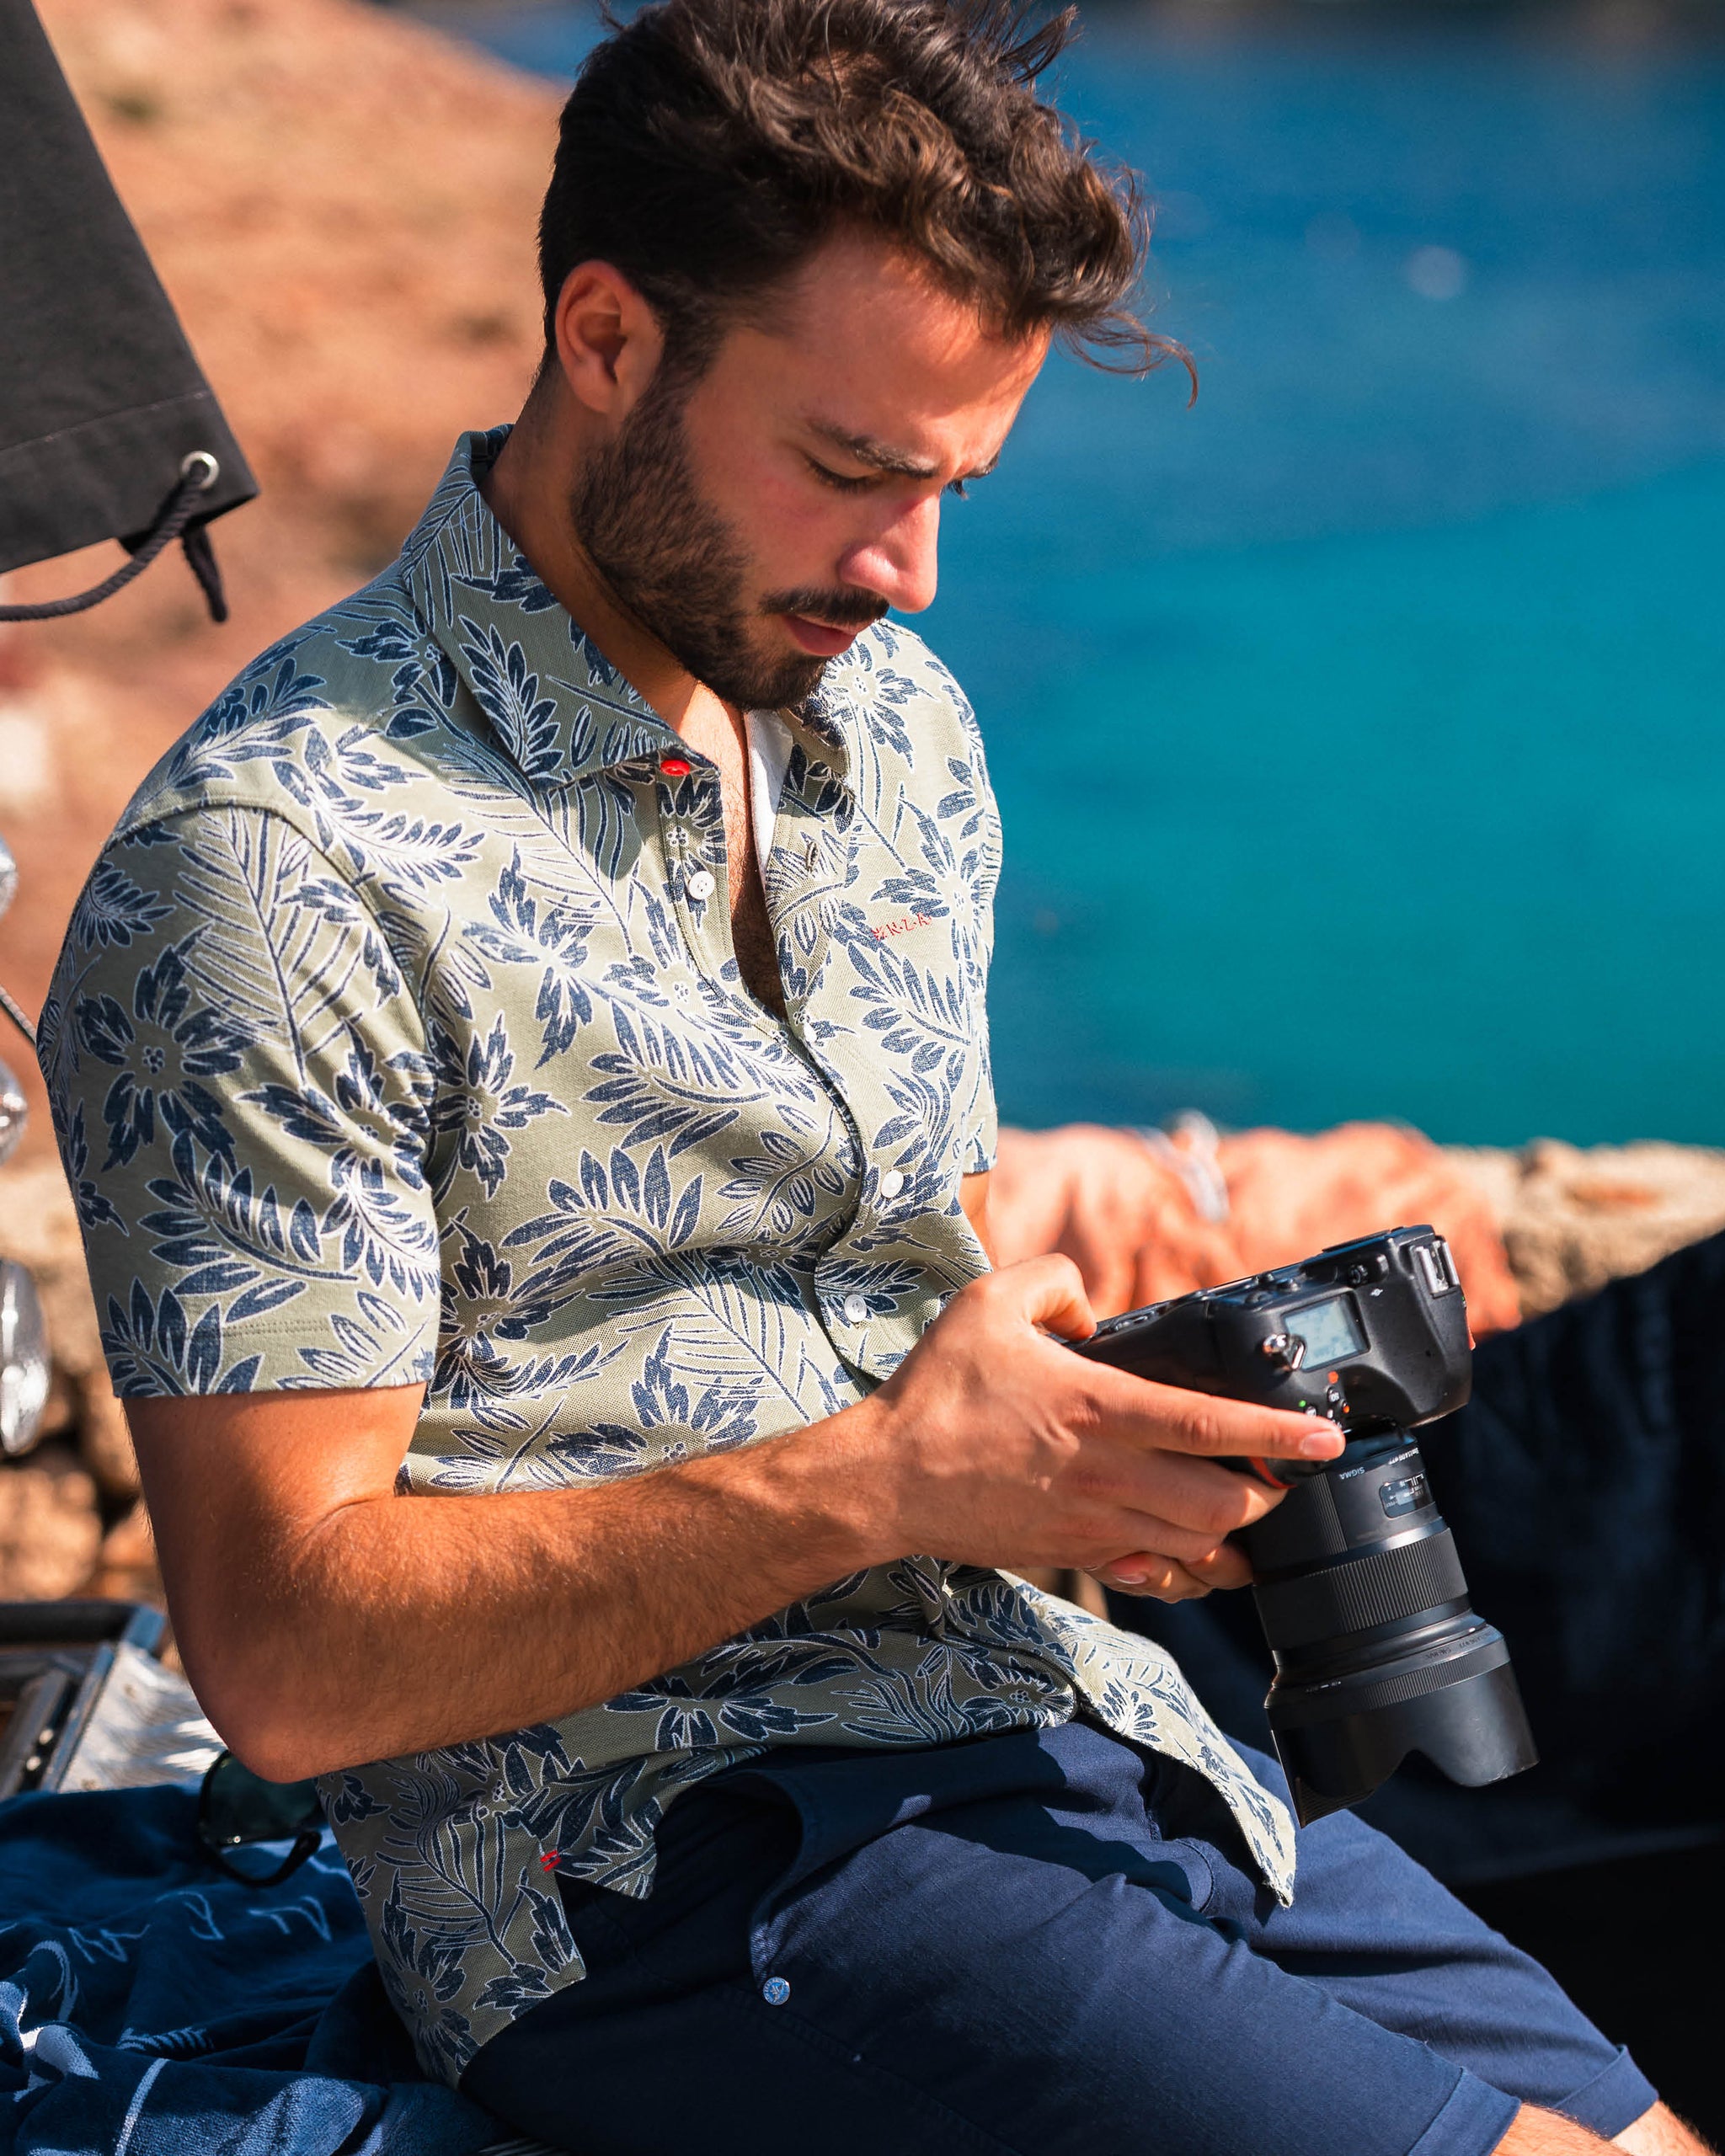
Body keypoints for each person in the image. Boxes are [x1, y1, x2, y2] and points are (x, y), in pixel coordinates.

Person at [35, 2, 1704, 2149]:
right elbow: (278, 1659)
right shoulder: (274, 872)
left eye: (952, 483)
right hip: (653, 1872)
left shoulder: (896, 733)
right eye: (849, 467)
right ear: (608, 340)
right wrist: (896, 1479)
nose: (910, 569)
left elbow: (870, 1313)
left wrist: (1081, 1465)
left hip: (1072, 1722)